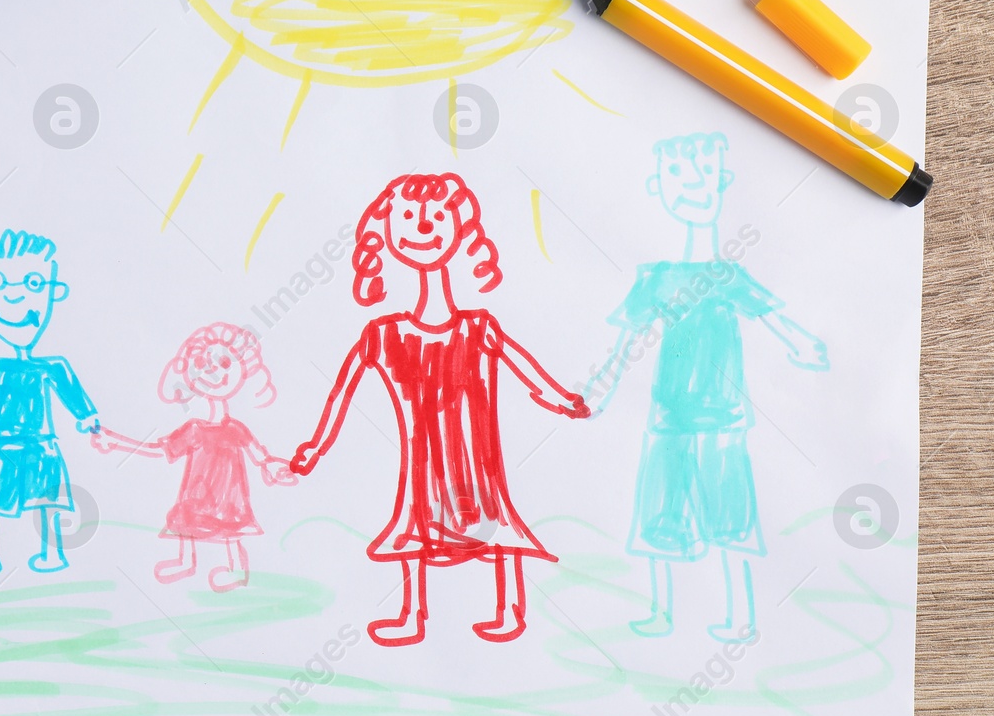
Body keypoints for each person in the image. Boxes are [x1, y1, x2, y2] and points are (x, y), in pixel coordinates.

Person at [291, 172, 589, 646]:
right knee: (415, 520)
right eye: (408, 217)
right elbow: (343, 393)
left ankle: (510, 609)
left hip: (477, 458)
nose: (422, 227)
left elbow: (526, 371)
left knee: (496, 519)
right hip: (423, 463)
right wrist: (315, 446)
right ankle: (412, 614)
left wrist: (563, 400)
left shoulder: (479, 327)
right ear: (387, 234)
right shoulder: (382, 334)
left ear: (460, 229)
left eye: (436, 217)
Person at [583, 133, 828, 642]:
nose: (693, 182)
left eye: (703, 171)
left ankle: (740, 618)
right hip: (668, 420)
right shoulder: (657, 277)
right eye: (677, 174)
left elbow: (772, 318)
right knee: (659, 516)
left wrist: (801, 343)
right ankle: (661, 613)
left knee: (730, 519)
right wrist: (602, 384)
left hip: (722, 420)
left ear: (723, 180)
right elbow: (627, 342)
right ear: (658, 187)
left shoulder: (726, 274)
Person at [0, 230, 99, 579]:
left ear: (55, 293)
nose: (14, 296)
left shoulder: (51, 366)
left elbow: (72, 393)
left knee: (47, 500)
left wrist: (86, 416)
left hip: (40, 444)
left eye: (34, 284)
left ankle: (51, 555)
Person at [94, 323, 296, 592]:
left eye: (224, 362)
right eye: (203, 363)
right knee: (187, 520)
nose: (214, 370)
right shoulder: (194, 430)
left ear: (243, 370)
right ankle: (186, 562)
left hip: (228, 499)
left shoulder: (236, 429)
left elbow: (262, 458)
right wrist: (118, 442)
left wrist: (277, 468)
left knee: (231, 530)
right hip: (197, 498)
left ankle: (236, 570)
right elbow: (158, 449)